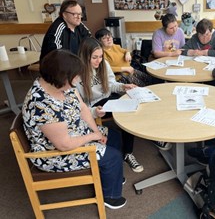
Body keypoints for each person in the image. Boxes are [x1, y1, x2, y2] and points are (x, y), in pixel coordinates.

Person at [22, 49, 126, 209]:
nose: (78, 81)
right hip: (53, 153)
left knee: (114, 136)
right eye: (75, 77)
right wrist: (93, 136)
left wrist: (96, 131)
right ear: (61, 77)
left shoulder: (61, 85)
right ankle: (111, 196)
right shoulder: (40, 104)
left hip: (74, 132)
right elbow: (64, 145)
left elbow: (83, 108)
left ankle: (111, 174)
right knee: (112, 156)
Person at [76, 37, 144, 173]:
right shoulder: (76, 73)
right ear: (84, 56)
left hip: (107, 98)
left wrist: (123, 86)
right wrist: (93, 111)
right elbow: (78, 106)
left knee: (135, 104)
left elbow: (111, 85)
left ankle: (135, 147)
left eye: (100, 56)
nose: (99, 60)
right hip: (93, 105)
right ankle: (127, 153)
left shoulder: (103, 64)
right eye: (94, 57)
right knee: (127, 112)